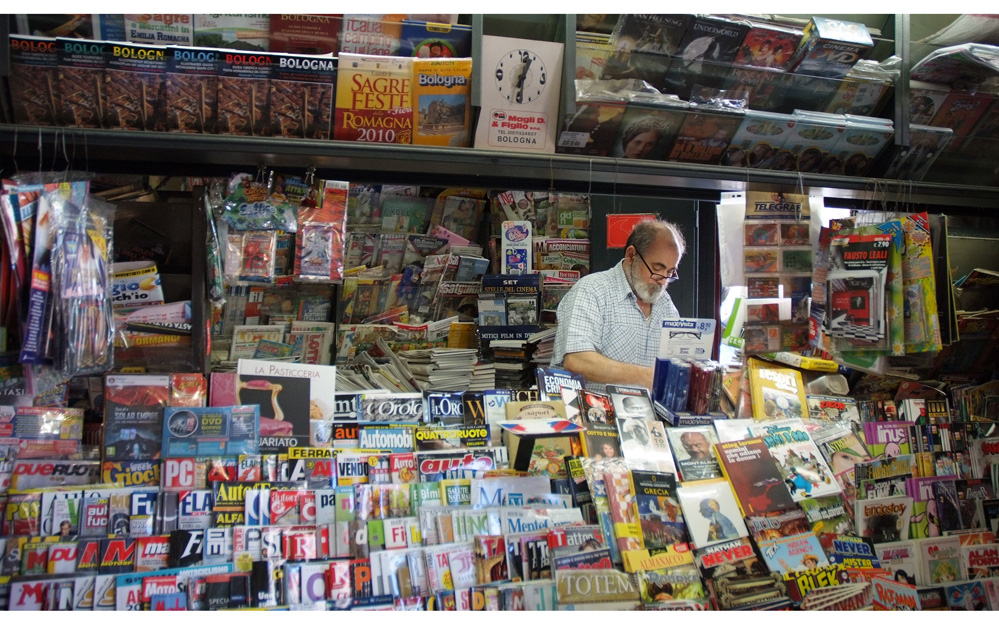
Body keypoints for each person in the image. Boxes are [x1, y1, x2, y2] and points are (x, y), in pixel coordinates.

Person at [552, 219, 684, 392]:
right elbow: (577, 360)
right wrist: (646, 376)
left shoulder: (666, 305)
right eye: (656, 268)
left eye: (670, 272)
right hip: (594, 415)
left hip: (647, 417)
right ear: (631, 256)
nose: (662, 280)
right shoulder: (592, 290)